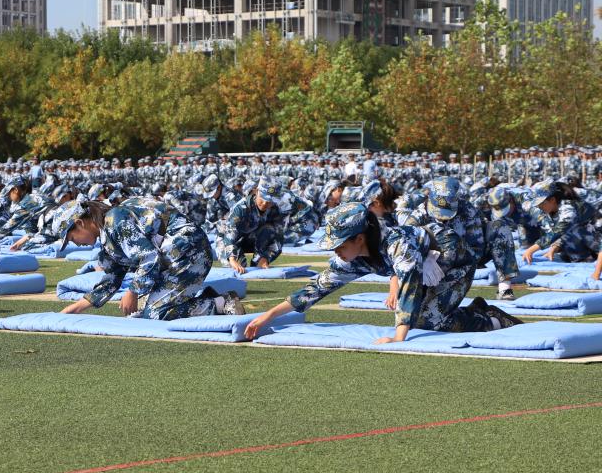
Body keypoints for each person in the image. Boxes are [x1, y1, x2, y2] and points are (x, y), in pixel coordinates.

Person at [244, 203, 521, 342]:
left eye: (339, 245)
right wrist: (268, 316)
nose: (336, 252)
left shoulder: (397, 245)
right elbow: (317, 287)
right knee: (423, 318)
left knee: (428, 321)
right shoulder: (355, 255)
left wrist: (399, 337)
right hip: (425, 266)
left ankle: (488, 319)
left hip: (454, 262)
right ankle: (478, 310)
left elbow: (409, 286)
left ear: (359, 238)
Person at [56, 196, 243, 320]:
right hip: (178, 256)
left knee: (156, 313)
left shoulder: (115, 221)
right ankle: (211, 297)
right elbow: (111, 280)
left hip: (189, 252)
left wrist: (132, 292)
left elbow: (149, 257)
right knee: (145, 307)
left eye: (71, 238)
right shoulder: (108, 236)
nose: (75, 244)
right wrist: (73, 309)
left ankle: (221, 304)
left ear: (80, 223)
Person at [522, 181, 601, 263]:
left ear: (552, 200)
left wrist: (531, 249)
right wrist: (555, 247)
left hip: (597, 231)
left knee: (573, 239)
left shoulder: (567, 207)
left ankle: (589, 258)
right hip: (589, 234)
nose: (539, 207)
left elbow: (560, 230)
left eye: (541, 203)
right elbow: (565, 231)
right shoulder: (554, 210)